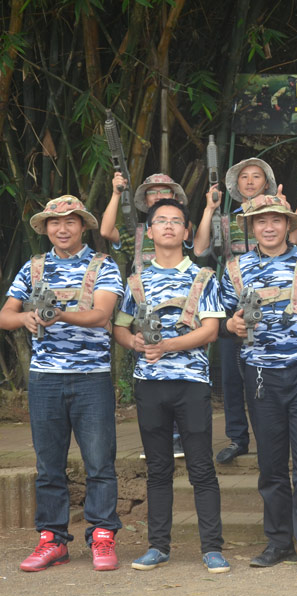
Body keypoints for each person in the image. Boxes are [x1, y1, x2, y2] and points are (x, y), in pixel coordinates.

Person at [0, 196, 123, 571]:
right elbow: (5, 315)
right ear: (46, 228)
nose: (62, 228)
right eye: (55, 223)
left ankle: (102, 536)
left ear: (83, 226)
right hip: (45, 379)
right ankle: (52, 540)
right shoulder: (33, 267)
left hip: (92, 378)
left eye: (71, 221)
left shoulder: (102, 265)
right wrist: (24, 319)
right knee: (48, 465)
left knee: (99, 463)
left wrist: (59, 315)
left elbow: (101, 315)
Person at [112, 198, 229, 574]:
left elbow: (210, 331)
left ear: (187, 231)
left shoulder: (203, 277)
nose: (167, 226)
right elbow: (120, 327)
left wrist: (167, 346)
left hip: (191, 382)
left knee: (201, 467)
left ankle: (212, 548)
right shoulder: (136, 280)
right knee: (158, 469)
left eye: (176, 221)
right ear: (149, 231)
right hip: (149, 384)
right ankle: (157, 546)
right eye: (160, 220)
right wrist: (134, 342)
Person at [219, 194, 297, 573]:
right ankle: (280, 541)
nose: (269, 227)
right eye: (261, 221)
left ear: (288, 224)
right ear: (251, 227)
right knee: (271, 462)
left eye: (276, 220)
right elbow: (218, 319)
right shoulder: (235, 268)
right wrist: (230, 325)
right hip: (260, 374)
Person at [196, 157, 283, 464]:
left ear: (266, 183)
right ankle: (237, 437)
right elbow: (200, 249)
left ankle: (275, 439)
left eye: (256, 176)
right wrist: (209, 209)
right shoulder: (224, 219)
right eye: (244, 176)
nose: (249, 181)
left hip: (273, 300)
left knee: (273, 372)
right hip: (232, 299)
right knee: (231, 376)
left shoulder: (278, 213)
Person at [100, 173, 189, 458]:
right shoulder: (136, 233)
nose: (158, 196)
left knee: (181, 371)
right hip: (144, 309)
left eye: (165, 191)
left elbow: (199, 247)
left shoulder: (180, 227)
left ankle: (180, 438)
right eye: (152, 192)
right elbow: (106, 230)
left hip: (179, 308)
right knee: (150, 371)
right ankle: (158, 440)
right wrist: (116, 193)